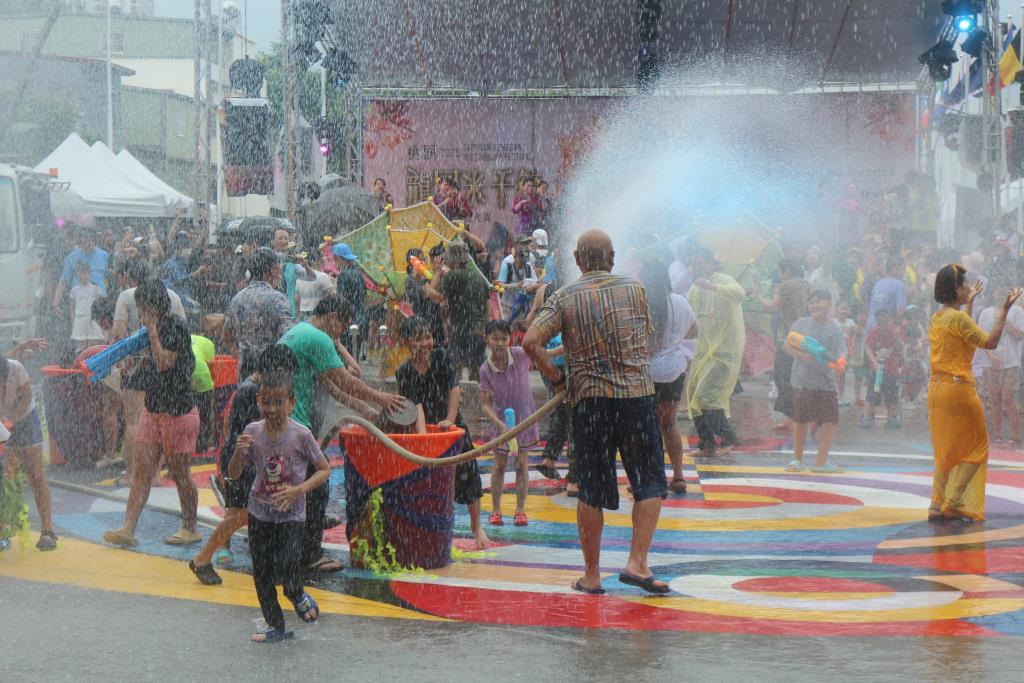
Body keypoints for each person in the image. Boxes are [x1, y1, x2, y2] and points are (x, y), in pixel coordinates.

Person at [524, 229, 669, 595]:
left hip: (590, 402)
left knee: (590, 490)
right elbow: (646, 340)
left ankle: (592, 575)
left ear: (576, 260)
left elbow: (530, 341)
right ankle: (638, 562)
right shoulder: (635, 290)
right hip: (636, 397)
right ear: (613, 257)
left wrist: (557, 379)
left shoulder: (564, 297)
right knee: (649, 481)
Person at [280, 295, 405, 573]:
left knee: (297, 484)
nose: (339, 335)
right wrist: (380, 398)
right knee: (318, 482)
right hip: (296, 422)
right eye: (341, 326)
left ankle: (292, 540)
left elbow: (330, 384)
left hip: (284, 420)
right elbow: (343, 378)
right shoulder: (318, 338)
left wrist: (364, 408)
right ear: (333, 316)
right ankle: (311, 553)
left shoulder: (300, 331)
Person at [227, 369, 329, 643]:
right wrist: (238, 451)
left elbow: (324, 469)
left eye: (279, 402)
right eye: (266, 402)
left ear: (292, 403)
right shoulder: (252, 432)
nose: (272, 409)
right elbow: (234, 473)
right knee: (261, 573)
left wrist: (298, 489)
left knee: (287, 564)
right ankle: (276, 627)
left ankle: (295, 592)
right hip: (260, 512)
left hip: (291, 515)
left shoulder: (300, 435)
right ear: (259, 400)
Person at [189, 344, 297, 585]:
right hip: (243, 460)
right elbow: (250, 432)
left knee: (242, 515)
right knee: (239, 515)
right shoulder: (252, 391)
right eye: (286, 373)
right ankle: (202, 559)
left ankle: (263, 563)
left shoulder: (251, 387)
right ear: (276, 369)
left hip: (241, 457)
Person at [103, 278, 200, 547]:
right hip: (154, 408)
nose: (141, 314)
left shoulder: (176, 327)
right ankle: (128, 528)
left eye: (143, 308)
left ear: (155, 306)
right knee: (142, 472)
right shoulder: (147, 331)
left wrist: (153, 332)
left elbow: (165, 362)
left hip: (178, 411)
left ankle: (190, 527)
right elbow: (150, 367)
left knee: (180, 473)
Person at [927, 265, 1021, 522]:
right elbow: (989, 342)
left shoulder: (938, 318)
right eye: (965, 285)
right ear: (956, 289)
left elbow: (964, 341)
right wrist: (1004, 311)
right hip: (959, 391)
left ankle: (936, 504)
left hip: (937, 389)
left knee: (946, 449)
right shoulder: (957, 319)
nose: (969, 288)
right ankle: (954, 500)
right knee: (978, 447)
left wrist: (970, 303)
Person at [396, 316, 489, 548]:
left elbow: (454, 390)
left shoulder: (441, 357)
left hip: (453, 426)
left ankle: (477, 527)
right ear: (407, 342)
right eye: (419, 339)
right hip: (426, 430)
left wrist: (448, 419)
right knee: (429, 481)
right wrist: (424, 439)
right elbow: (415, 406)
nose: (426, 342)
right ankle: (429, 529)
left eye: (428, 336)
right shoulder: (404, 371)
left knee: (469, 473)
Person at [639, 262, 697, 493]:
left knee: (646, 426)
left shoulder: (640, 305)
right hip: (673, 372)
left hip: (646, 373)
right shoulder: (680, 302)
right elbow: (693, 332)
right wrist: (673, 342)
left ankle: (650, 478)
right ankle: (679, 476)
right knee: (669, 424)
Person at [686, 246, 745, 457]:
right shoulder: (693, 289)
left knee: (706, 396)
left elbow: (740, 294)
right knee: (693, 398)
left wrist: (712, 287)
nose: (697, 267)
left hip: (724, 353)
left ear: (711, 263)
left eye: (702, 262)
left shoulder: (723, 279)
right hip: (702, 352)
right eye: (694, 263)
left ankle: (728, 438)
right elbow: (691, 319)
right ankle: (707, 445)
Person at [479, 320, 539, 527]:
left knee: (522, 463)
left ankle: (520, 510)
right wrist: (499, 424)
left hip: (524, 420)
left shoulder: (521, 355)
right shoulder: (486, 369)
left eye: (504, 338)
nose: (500, 343)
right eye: (495, 338)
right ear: (486, 339)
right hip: (500, 424)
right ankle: (496, 510)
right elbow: (485, 404)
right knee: (499, 466)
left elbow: (543, 353)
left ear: (510, 339)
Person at [784, 290, 846, 473]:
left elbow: (842, 351)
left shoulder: (834, 328)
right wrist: (801, 355)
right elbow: (787, 345)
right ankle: (797, 460)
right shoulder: (801, 324)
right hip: (802, 381)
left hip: (826, 383)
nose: (815, 306)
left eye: (819, 302)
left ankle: (821, 462)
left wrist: (841, 362)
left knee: (830, 420)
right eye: (811, 302)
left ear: (829, 304)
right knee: (801, 420)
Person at [0, 350, 56, 551]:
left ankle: (47, 530)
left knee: (35, 474)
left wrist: (11, 420)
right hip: (1, 423)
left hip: (25, 419)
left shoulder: (15, 368)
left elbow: (27, 396)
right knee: (4, 478)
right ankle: (2, 531)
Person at [223, 248, 295, 380]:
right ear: (273, 270)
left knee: (246, 398)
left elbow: (226, 335)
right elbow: (288, 338)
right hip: (270, 371)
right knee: (266, 400)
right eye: (278, 268)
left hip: (245, 370)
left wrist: (240, 353)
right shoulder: (278, 299)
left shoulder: (238, 298)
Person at [760, 259, 809, 429]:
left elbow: (772, 307)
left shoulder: (786, 285)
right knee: (797, 376)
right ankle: (797, 416)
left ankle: (792, 417)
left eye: (781, 272)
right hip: (805, 334)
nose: (780, 275)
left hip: (789, 335)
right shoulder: (805, 284)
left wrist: (759, 296)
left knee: (783, 376)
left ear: (786, 271)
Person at [975, 284, 1024, 447]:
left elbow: (1019, 336)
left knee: (1009, 398)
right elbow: (982, 339)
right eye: (998, 292)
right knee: (994, 399)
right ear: (993, 295)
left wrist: (1004, 319)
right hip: (990, 364)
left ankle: (1014, 436)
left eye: (1004, 293)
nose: (1000, 296)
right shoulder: (985, 313)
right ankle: (996, 435)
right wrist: (991, 356)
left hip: (1011, 363)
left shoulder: (1018, 312)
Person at [438, 243, 490, 381]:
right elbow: (487, 305)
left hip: (460, 330)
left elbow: (442, 303)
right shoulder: (479, 277)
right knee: (476, 369)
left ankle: (458, 398)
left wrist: (446, 325)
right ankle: (476, 399)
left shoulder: (451, 276)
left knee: (455, 369)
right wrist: (486, 328)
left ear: (453, 259)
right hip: (478, 331)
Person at [862, 309, 903, 430]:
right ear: (877, 321)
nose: (883, 325)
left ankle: (891, 418)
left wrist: (895, 337)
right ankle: (866, 417)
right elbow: (868, 348)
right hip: (876, 371)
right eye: (880, 322)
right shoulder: (874, 332)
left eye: (886, 322)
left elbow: (901, 348)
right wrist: (874, 362)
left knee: (892, 396)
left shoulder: (895, 332)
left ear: (891, 321)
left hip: (891, 371)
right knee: (871, 395)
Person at [52, 228, 110, 311]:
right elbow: (63, 282)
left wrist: (105, 294)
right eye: (81, 242)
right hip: (79, 302)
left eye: (86, 241)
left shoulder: (104, 255)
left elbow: (105, 278)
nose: (84, 245)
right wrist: (56, 304)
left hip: (100, 302)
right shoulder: (72, 257)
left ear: (94, 240)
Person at [404, 248, 446, 345]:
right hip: (424, 327)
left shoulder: (425, 277)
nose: (424, 263)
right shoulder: (411, 280)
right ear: (413, 263)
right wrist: (437, 272)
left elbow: (436, 296)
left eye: (425, 260)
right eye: (421, 260)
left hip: (437, 325)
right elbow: (429, 293)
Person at [332, 243, 367, 359]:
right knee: (354, 356)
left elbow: (341, 300)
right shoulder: (358, 273)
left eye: (334, 259)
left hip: (349, 320)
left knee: (346, 356)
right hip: (361, 318)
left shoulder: (344, 276)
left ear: (340, 259)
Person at [69, 260, 105, 352]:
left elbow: (102, 307)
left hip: (93, 319)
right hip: (79, 319)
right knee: (80, 348)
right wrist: (73, 322)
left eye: (85, 273)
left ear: (89, 273)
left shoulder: (96, 289)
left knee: (94, 346)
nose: (83, 276)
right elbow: (72, 308)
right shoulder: (74, 290)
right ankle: (81, 364)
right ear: (77, 274)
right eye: (81, 273)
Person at [867, 257, 907, 330]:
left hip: (870, 325)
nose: (904, 272)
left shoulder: (878, 283)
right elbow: (900, 312)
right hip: (885, 328)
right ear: (894, 268)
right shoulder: (899, 285)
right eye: (902, 269)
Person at [295, 249, 335, 321]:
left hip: (303, 314)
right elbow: (333, 295)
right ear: (316, 261)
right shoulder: (322, 276)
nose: (324, 258)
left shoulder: (299, 278)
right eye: (322, 257)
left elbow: (297, 299)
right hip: (319, 315)